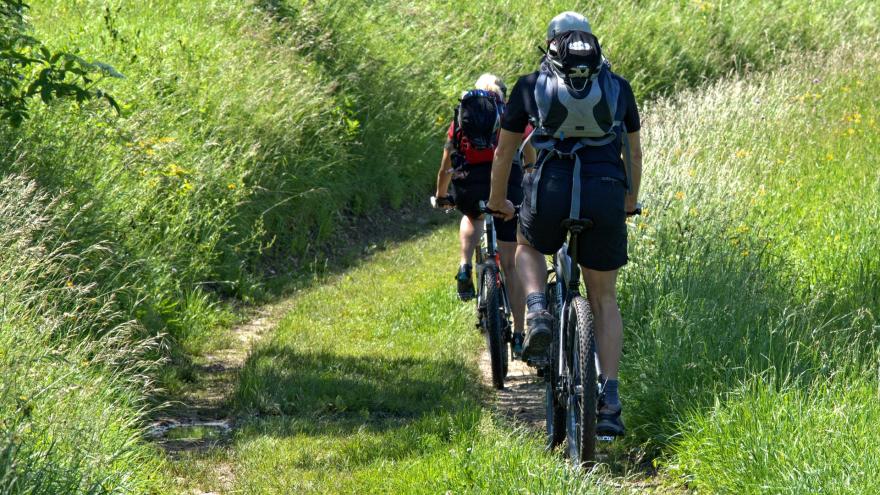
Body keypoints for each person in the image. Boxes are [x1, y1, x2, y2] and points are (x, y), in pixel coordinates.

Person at [486, 12, 643, 437]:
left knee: (528, 245)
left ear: (551, 45)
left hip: (552, 186)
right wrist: (628, 201)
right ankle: (609, 400)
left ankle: (537, 310)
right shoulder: (618, 87)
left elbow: (504, 154)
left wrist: (499, 200)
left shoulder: (529, 86)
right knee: (604, 298)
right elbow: (634, 152)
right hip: (606, 190)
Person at [433, 73, 535, 354]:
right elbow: (530, 157)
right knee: (511, 266)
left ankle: (465, 264)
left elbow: (445, 168)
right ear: (502, 94)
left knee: (472, 216)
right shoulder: (512, 116)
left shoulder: (461, 121)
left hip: (469, 187)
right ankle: (518, 333)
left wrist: (443, 196)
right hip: (507, 189)